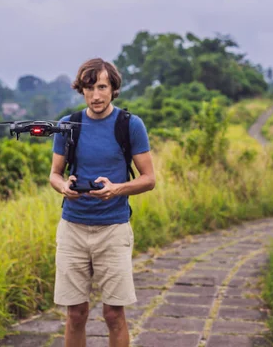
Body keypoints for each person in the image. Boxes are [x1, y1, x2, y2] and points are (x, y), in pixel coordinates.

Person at [49, 58, 156, 347]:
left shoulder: (130, 125)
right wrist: (64, 188)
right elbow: (55, 174)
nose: (96, 95)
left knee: (113, 313)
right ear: (80, 90)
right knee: (76, 313)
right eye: (89, 87)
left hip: (113, 229)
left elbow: (149, 179)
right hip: (73, 228)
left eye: (102, 87)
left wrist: (117, 189)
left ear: (113, 89)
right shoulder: (68, 125)